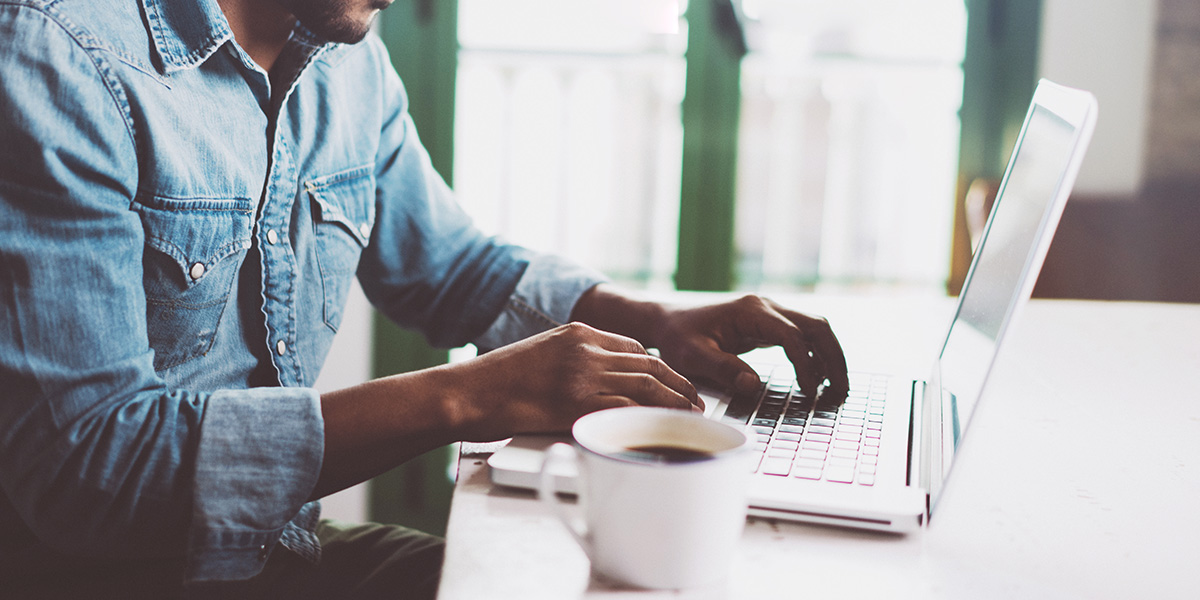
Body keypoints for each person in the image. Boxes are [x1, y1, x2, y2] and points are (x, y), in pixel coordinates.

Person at [0, 0, 848, 597]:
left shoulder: (346, 55)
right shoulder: (54, 54)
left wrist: (651, 321)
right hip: (100, 576)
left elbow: (449, 266)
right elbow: (86, 469)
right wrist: (466, 396)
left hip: (273, 552)